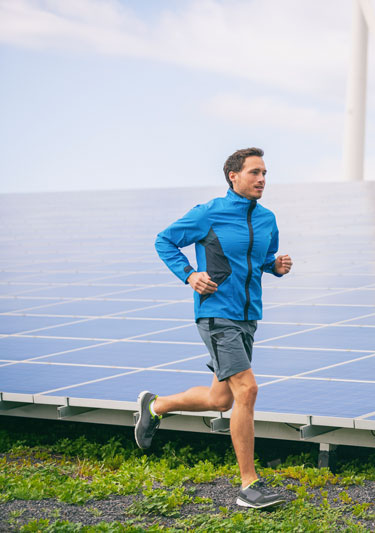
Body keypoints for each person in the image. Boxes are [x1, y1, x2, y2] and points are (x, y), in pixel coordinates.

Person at [135, 147, 292, 509]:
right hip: (217, 314)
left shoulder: (267, 218)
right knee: (247, 391)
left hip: (249, 316)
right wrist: (190, 275)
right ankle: (248, 486)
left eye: (265, 173)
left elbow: (261, 259)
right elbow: (165, 240)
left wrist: (276, 265)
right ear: (233, 176)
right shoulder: (209, 213)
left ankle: (154, 406)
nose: (262, 179)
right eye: (255, 172)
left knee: (221, 399)